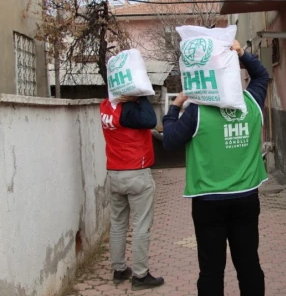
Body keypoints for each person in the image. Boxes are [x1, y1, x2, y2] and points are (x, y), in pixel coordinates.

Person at [162, 40, 270, 296]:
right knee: (249, 265)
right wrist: (242, 52)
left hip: (208, 201)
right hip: (246, 197)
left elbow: (169, 141)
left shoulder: (197, 110)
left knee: (211, 271)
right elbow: (262, 74)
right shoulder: (251, 101)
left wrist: (175, 106)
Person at [99, 95, 165, 291]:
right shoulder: (129, 110)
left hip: (114, 172)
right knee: (140, 225)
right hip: (136, 171)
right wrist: (141, 96)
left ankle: (119, 270)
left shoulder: (105, 106)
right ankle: (140, 275)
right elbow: (150, 120)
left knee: (118, 223)